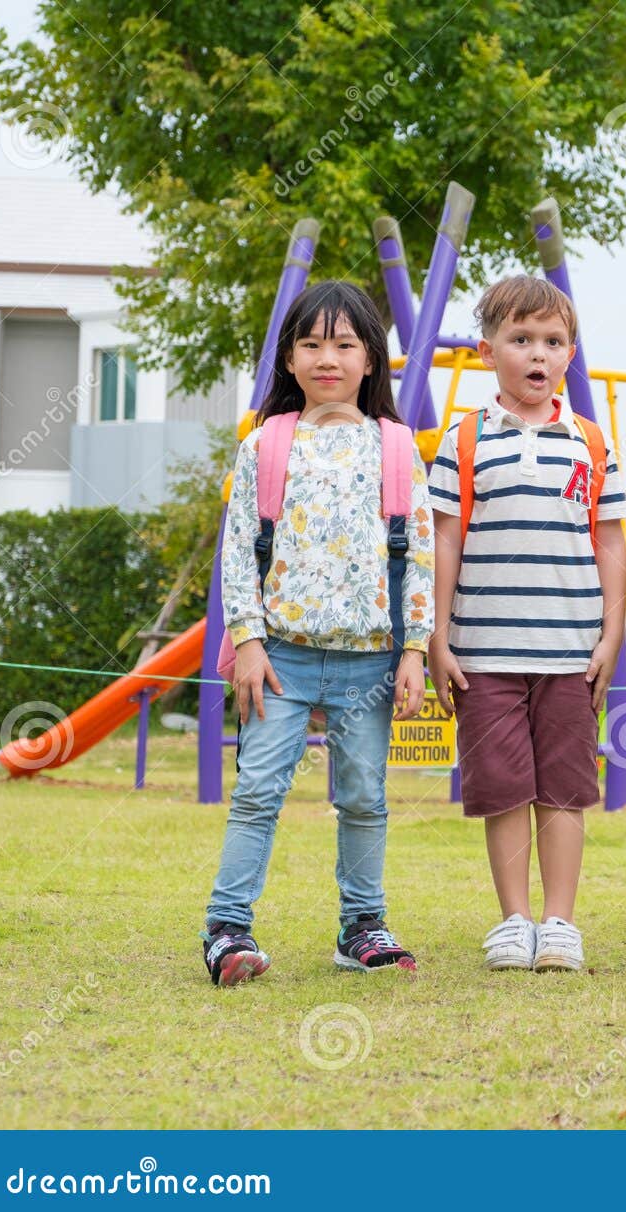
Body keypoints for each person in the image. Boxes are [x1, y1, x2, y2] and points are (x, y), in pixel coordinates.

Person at [204, 281, 432, 986]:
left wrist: (415, 650)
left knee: (364, 795)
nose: (326, 357)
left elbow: (419, 554)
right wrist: (247, 640)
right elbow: (238, 549)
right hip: (281, 659)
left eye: (343, 343)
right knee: (258, 792)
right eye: (310, 343)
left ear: (371, 359)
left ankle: (362, 926)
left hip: (370, 661)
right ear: (289, 357)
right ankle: (227, 929)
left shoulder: (395, 448)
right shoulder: (265, 446)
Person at [428, 275, 626, 973]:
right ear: (488, 351)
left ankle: (560, 923)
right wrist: (437, 635)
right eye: (521, 339)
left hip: (571, 653)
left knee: (565, 787)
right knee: (503, 786)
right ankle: (513, 920)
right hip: (484, 651)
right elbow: (445, 539)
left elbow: (609, 542)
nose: (538, 354)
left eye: (552, 341)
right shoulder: (463, 440)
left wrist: (610, 636)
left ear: (570, 354)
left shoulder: (592, 443)